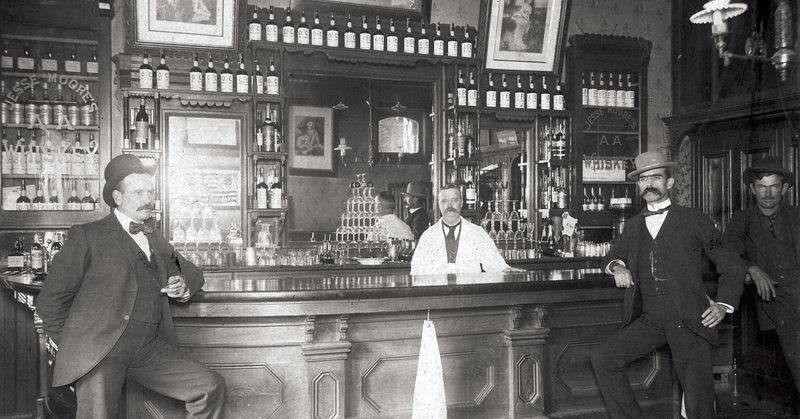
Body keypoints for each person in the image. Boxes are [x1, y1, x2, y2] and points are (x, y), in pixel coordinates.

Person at [36, 154, 225, 418]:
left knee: (209, 387)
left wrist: (183, 284)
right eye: (138, 192)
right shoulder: (88, 235)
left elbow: (191, 271)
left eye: (150, 191)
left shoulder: (153, 236)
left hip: (148, 348)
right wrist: (78, 348)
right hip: (99, 353)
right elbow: (49, 302)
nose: (148, 199)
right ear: (118, 197)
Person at [590, 150, 746, 418]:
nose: (649, 184)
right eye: (643, 179)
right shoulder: (633, 226)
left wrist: (723, 305)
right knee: (603, 358)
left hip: (690, 319)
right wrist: (618, 267)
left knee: (699, 405)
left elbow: (731, 264)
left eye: (656, 177)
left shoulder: (694, 219)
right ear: (638, 185)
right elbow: (611, 256)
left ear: (670, 183)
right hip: (651, 319)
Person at [723, 156, 800, 399]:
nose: (768, 193)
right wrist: (752, 269)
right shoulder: (741, 221)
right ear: (752, 189)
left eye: (774, 186)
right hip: (775, 301)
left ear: (785, 188)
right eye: (761, 186)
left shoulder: (797, 216)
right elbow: (726, 257)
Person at [410, 183, 523, 275]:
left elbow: (496, 265)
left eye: (454, 200)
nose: (449, 205)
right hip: (439, 297)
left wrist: (511, 272)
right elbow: (416, 271)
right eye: (444, 201)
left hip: (470, 296)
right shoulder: (428, 236)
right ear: (438, 205)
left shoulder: (477, 233)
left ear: (462, 203)